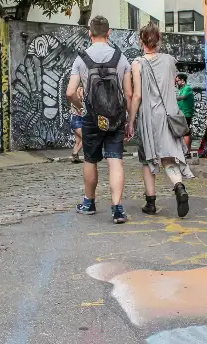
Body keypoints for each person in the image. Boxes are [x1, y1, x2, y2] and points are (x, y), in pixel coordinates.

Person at [66, 16, 133, 224]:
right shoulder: (121, 58)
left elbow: (70, 92)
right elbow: (129, 93)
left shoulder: (81, 59)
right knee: (115, 161)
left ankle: (89, 203)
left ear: (90, 33)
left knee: (90, 159)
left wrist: (80, 106)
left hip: (91, 117)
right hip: (115, 117)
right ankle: (118, 209)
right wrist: (130, 120)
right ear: (109, 32)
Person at [128, 22, 194, 217]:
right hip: (170, 115)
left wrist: (131, 120)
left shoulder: (137, 64)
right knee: (168, 157)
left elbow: (138, 96)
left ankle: (151, 203)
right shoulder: (170, 60)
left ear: (141, 40)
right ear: (159, 39)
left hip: (150, 117)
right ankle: (179, 186)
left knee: (148, 159)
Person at [176, 73, 195, 153]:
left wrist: (171, 98)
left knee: (186, 133)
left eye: (177, 81)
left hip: (186, 113)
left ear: (183, 81)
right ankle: (183, 151)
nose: (176, 83)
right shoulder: (181, 89)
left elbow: (182, 97)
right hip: (181, 113)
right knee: (182, 132)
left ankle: (187, 152)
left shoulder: (187, 88)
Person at [69, 85, 84, 163]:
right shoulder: (76, 101)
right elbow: (80, 110)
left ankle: (75, 158)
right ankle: (75, 153)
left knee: (78, 141)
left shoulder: (75, 100)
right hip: (77, 120)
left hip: (76, 120)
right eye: (80, 90)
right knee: (86, 138)